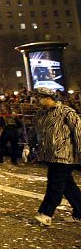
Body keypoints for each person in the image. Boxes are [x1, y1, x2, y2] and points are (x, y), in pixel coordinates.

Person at [32, 87, 81, 227]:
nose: (37, 100)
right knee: (67, 185)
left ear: (48, 97)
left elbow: (78, 133)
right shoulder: (40, 114)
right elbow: (33, 132)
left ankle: (46, 213)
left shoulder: (67, 112)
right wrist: (28, 146)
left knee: (55, 184)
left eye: (39, 97)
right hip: (49, 155)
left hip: (64, 155)